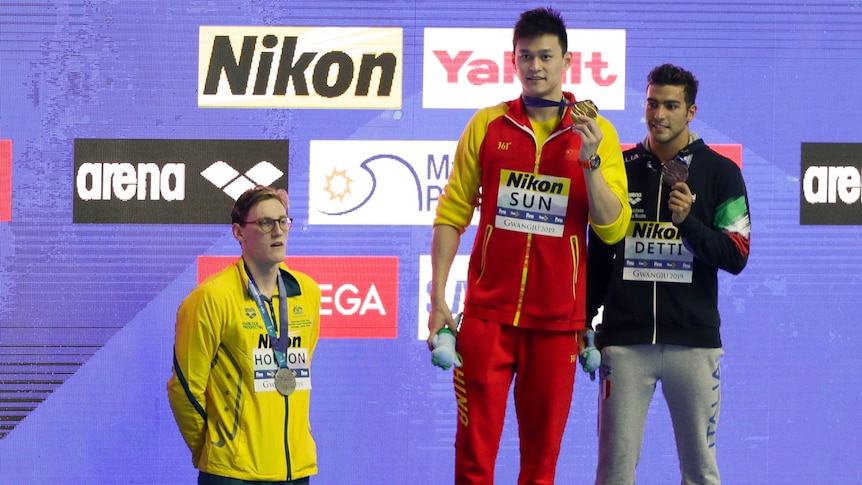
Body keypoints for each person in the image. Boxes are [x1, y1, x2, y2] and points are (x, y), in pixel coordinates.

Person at [426, 7, 631, 484]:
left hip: (557, 324)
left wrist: (591, 159)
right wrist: (437, 299)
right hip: (487, 319)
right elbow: (452, 213)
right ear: (512, 61)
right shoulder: (487, 125)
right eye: (525, 56)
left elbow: (612, 229)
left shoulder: (598, 134)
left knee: (540, 466)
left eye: (545, 56)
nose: (535, 66)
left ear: (567, 61)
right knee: (473, 459)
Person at [586, 63, 751, 484]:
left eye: (671, 106)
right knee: (613, 472)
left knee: (700, 471)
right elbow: (600, 253)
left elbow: (736, 253)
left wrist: (689, 223)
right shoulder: (618, 168)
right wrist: (584, 321)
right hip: (624, 345)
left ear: (691, 112)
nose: (658, 114)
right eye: (652, 103)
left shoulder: (721, 172)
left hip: (694, 347)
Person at [167, 186, 321, 485]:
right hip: (232, 474)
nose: (277, 231)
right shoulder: (211, 298)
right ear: (238, 232)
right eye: (265, 223)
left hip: (295, 470)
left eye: (283, 221)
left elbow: (297, 368)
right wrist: (217, 448)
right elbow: (184, 389)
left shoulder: (307, 294)